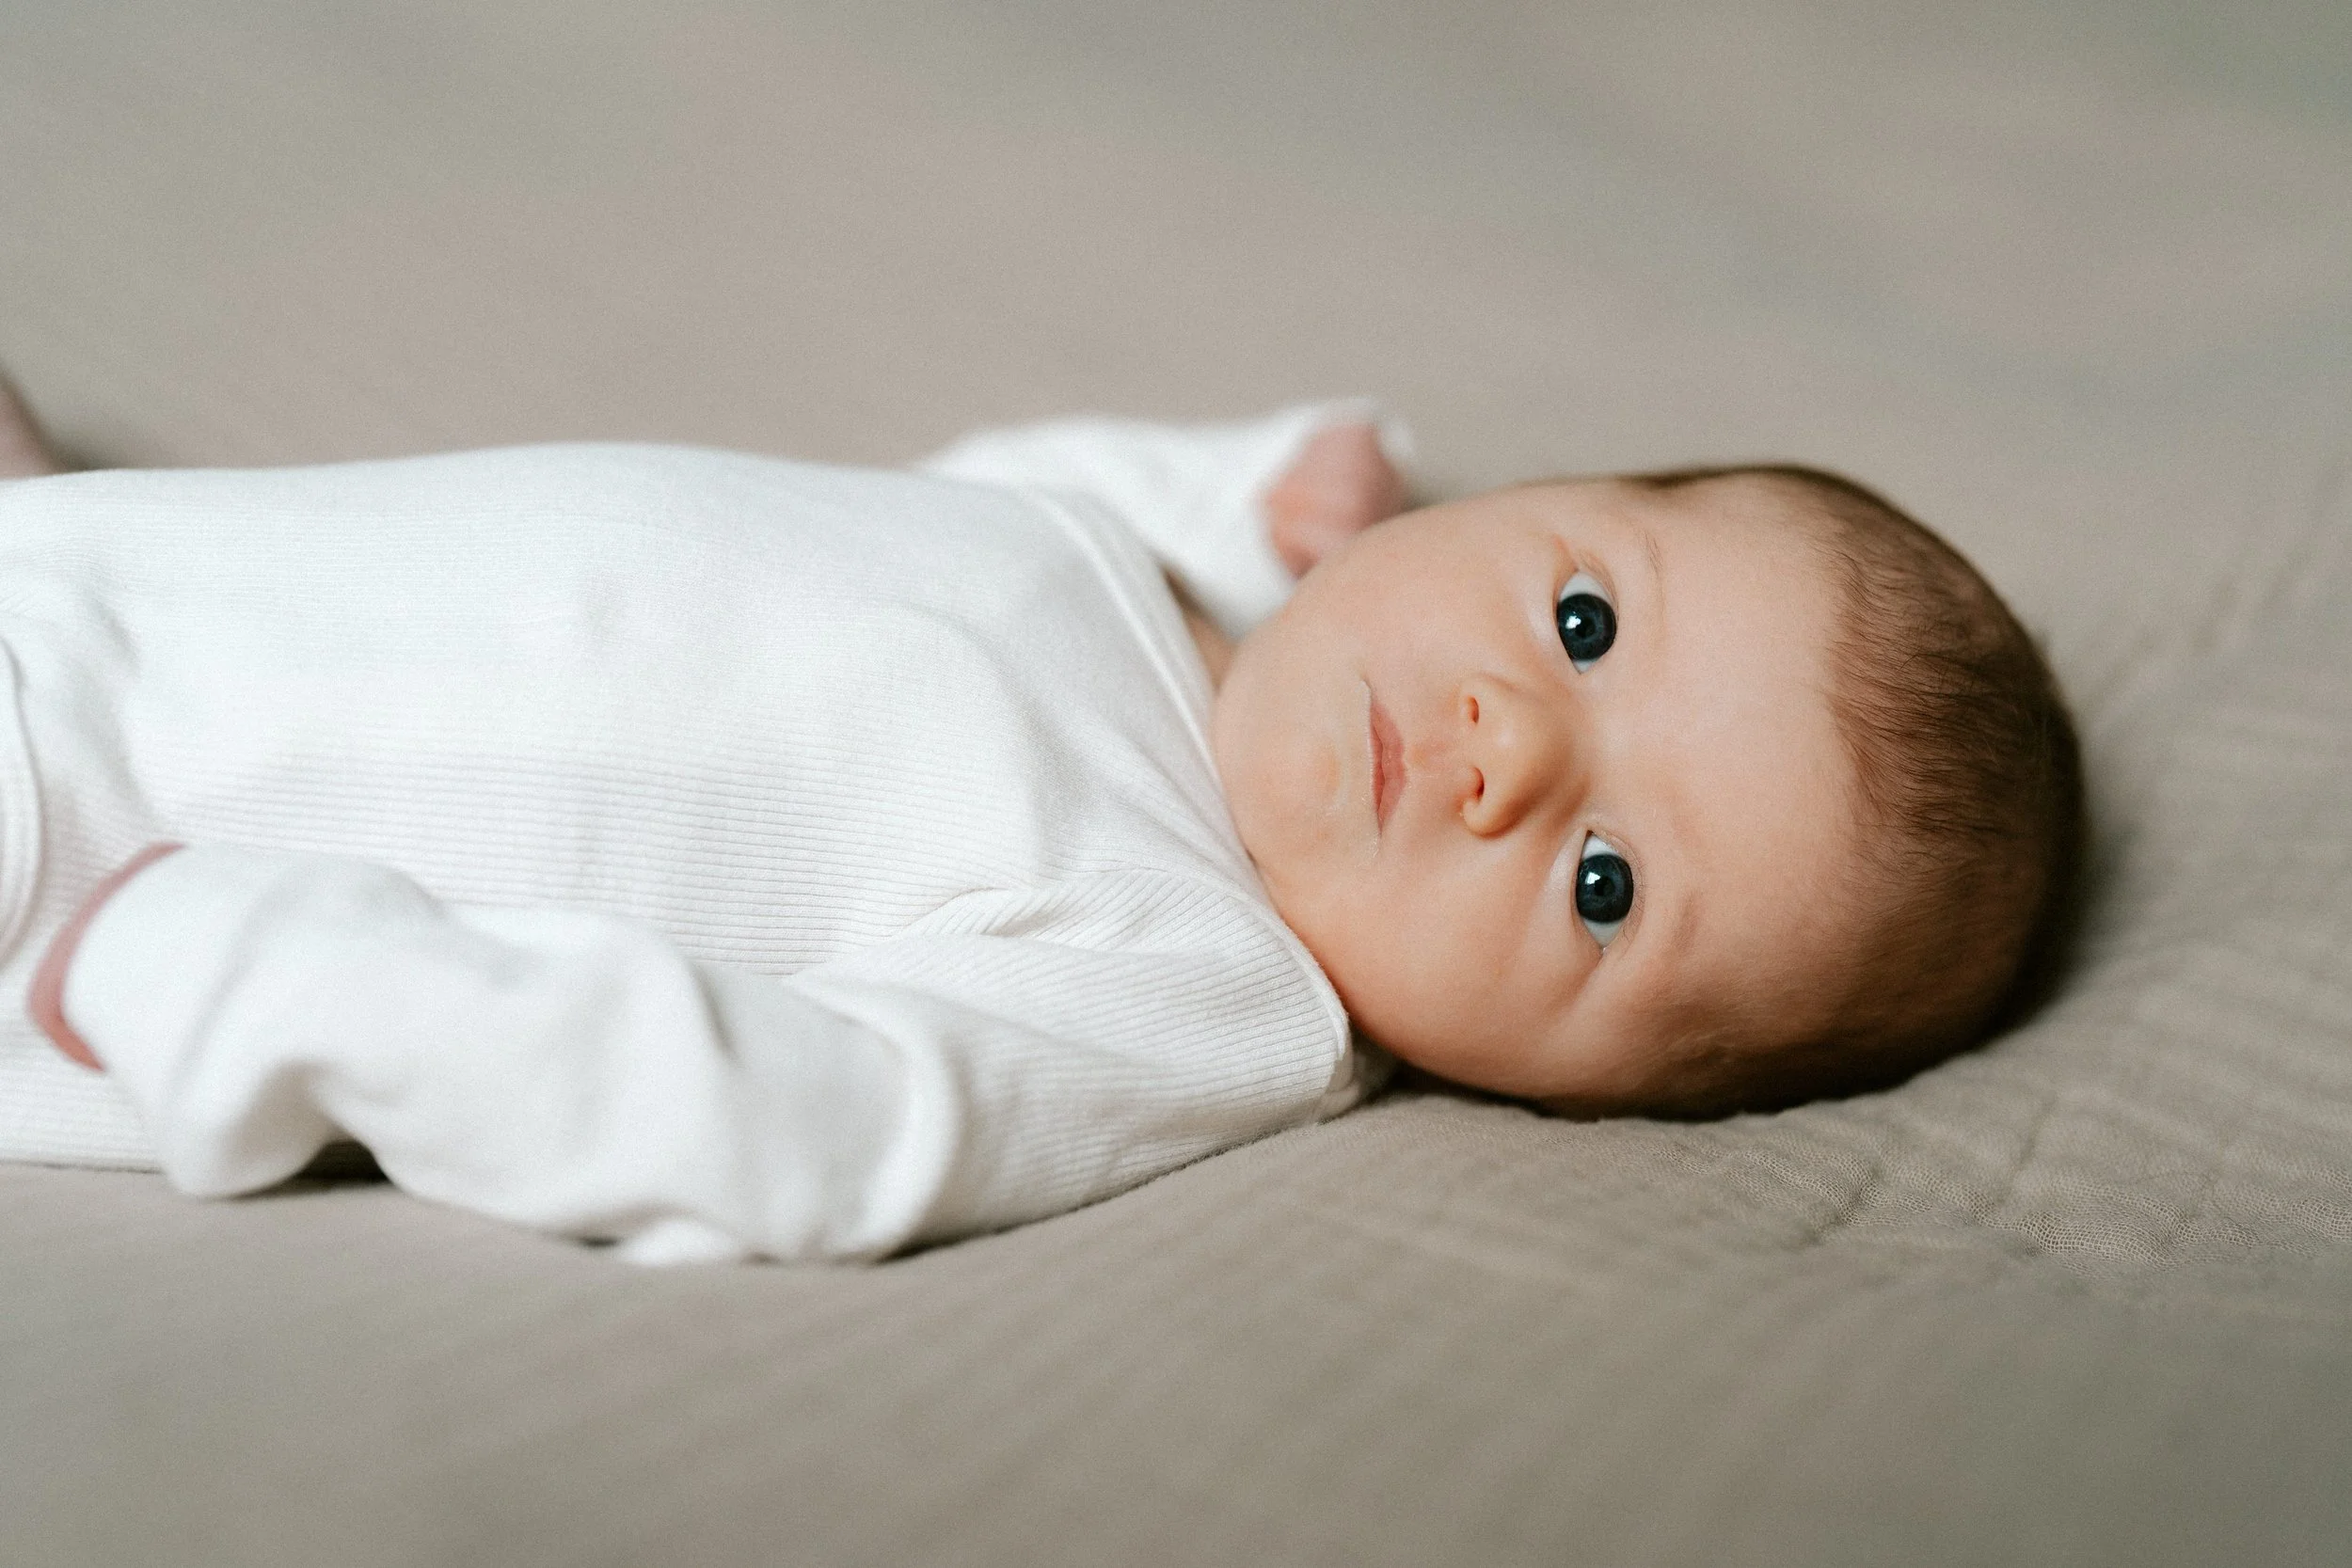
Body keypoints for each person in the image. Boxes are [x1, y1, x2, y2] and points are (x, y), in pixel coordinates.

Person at [0, 372, 2079, 1262]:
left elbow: (799, 1115)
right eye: (1576, 613)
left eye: (1600, 883)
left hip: (103, 847)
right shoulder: (1156, 598)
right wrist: (1251, 484)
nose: (1493, 742)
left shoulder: (1199, 986)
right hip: (116, 576)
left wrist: (293, 977)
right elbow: (943, 525)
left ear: (1584, 1100)